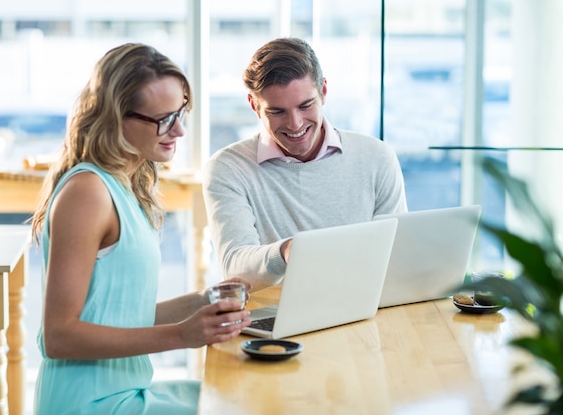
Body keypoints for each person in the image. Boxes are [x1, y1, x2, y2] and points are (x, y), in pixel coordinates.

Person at [30, 43, 251, 415]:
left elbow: (119, 314)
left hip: (125, 392)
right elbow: (58, 336)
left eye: (181, 112)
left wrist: (203, 300)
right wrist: (182, 335)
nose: (179, 130)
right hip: (91, 405)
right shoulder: (88, 193)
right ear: (117, 118)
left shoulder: (123, 185)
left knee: (245, 394)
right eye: (164, 119)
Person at [203, 37, 408, 292]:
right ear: (254, 105)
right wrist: (285, 251)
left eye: (305, 105)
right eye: (277, 112)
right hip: (277, 318)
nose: (295, 124)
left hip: (364, 310)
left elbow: (397, 257)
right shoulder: (229, 169)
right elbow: (235, 267)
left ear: (323, 92)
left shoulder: (377, 157)